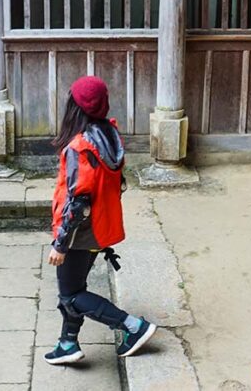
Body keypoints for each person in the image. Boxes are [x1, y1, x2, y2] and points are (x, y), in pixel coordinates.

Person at [44, 75, 157, 365]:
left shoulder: (80, 147)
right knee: (72, 288)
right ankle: (67, 343)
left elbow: (79, 203)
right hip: (99, 229)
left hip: (80, 233)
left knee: (71, 295)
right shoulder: (109, 135)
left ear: (75, 107)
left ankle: (134, 327)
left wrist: (60, 243)